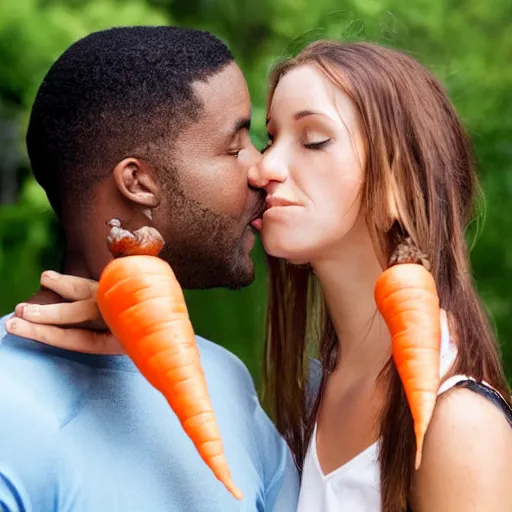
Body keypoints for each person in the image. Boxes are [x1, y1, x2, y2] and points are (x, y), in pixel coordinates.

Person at [16, 39, 512, 511]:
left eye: (314, 140)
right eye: (268, 138)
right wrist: (134, 320)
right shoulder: (316, 387)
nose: (266, 167)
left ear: (399, 186)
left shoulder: (460, 422)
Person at [0, 26, 299, 511]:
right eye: (235, 145)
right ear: (138, 183)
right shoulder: (10, 413)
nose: (260, 168)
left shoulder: (226, 379)